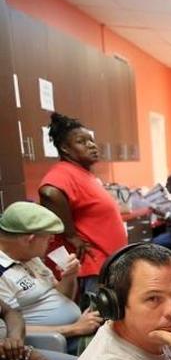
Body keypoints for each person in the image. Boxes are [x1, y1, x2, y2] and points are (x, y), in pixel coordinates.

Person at [38, 112, 128, 296]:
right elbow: (49, 192)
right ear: (65, 148)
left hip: (107, 263)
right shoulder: (64, 172)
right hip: (92, 267)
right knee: (97, 320)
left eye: (91, 140)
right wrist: (70, 234)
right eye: (82, 142)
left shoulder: (82, 172)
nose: (91, 146)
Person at [0, 201, 101, 354]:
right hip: (54, 342)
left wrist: (69, 277)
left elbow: (62, 297)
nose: (52, 241)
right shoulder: (2, 274)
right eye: (48, 237)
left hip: (76, 330)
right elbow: (10, 330)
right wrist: (74, 329)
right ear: (30, 239)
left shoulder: (30, 256)